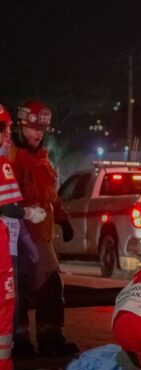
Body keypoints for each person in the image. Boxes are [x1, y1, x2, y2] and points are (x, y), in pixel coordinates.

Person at [8, 100, 77, 356]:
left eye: (41, 130)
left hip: (41, 235)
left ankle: (50, 336)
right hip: (17, 235)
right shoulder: (12, 158)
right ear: (20, 126)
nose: (37, 134)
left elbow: (51, 195)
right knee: (19, 288)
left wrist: (62, 218)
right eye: (32, 128)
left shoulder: (42, 159)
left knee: (51, 286)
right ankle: (19, 339)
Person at [0, 104, 47, 370]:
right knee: (5, 304)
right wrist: (29, 214)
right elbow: (6, 205)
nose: (8, 137)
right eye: (5, 131)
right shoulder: (3, 163)